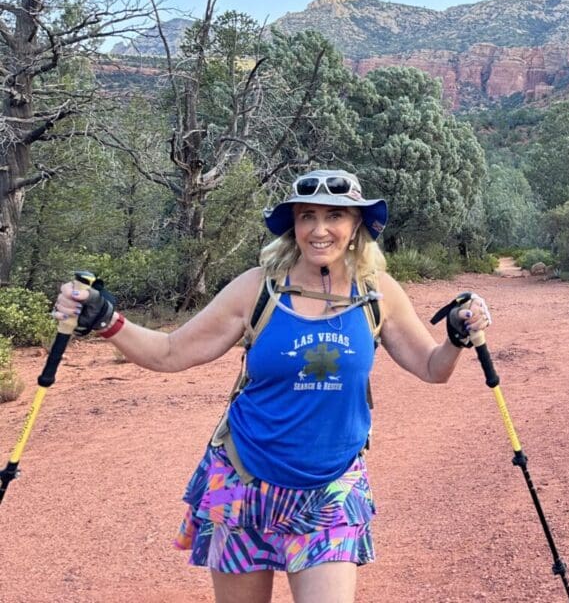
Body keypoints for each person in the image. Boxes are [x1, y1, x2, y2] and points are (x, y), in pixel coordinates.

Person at [51, 169, 490, 603]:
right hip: (242, 480)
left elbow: (433, 368)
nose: (319, 230)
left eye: (334, 216)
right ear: (292, 225)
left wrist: (455, 336)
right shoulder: (256, 289)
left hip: (332, 488)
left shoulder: (378, 294)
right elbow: (170, 351)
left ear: (356, 224)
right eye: (306, 216)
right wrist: (108, 321)